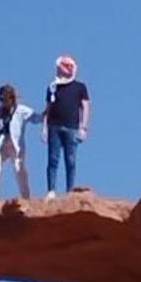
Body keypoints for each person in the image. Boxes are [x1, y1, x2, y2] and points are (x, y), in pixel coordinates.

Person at [42, 54, 90, 196]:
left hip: (72, 127)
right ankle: (51, 190)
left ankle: (70, 190)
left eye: (71, 66)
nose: (69, 68)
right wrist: (44, 127)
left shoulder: (80, 87)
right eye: (66, 65)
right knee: (53, 159)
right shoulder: (52, 87)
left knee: (70, 160)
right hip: (54, 126)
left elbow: (85, 107)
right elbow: (48, 108)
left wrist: (84, 127)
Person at [0, 83, 37, 201]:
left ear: (11, 98)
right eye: (0, 99)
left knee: (19, 169)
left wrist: (48, 114)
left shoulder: (21, 110)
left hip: (15, 145)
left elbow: (36, 118)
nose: (2, 101)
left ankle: (26, 198)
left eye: (4, 98)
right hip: (2, 144)